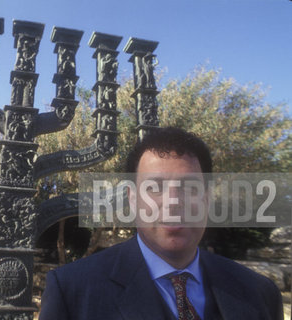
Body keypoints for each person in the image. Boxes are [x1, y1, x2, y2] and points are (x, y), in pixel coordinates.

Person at [39, 127, 283, 320]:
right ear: (133, 200)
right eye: (155, 187)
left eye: (189, 187)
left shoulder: (260, 292)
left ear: (207, 199)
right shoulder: (72, 292)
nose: (173, 202)